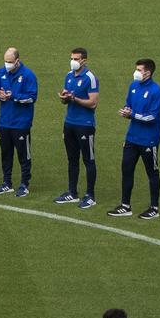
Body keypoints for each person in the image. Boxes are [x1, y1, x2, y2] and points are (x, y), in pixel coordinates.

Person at [110, 58, 160, 220]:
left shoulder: (157, 92)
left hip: (149, 139)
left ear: (148, 72)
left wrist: (132, 115)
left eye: (139, 70)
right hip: (132, 137)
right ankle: (125, 205)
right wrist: (127, 111)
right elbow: (129, 106)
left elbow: (152, 117)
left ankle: (154, 207)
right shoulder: (133, 86)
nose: (136, 73)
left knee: (152, 173)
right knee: (126, 169)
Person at [54, 47, 99, 208]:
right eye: (72, 58)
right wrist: (65, 98)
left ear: (84, 60)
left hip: (85, 125)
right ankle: (72, 192)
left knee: (88, 160)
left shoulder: (90, 78)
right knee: (72, 159)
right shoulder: (69, 76)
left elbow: (93, 103)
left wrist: (75, 98)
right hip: (70, 123)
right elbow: (66, 101)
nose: (73, 61)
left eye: (76, 58)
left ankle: (90, 195)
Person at [0, 46, 37, 196]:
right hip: (4, 122)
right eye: (5, 61)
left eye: (10, 61)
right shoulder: (1, 72)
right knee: (6, 153)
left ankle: (24, 184)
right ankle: (7, 182)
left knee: (24, 155)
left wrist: (13, 96)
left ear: (17, 61)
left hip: (21, 123)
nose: (7, 64)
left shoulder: (28, 75)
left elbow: (31, 97)